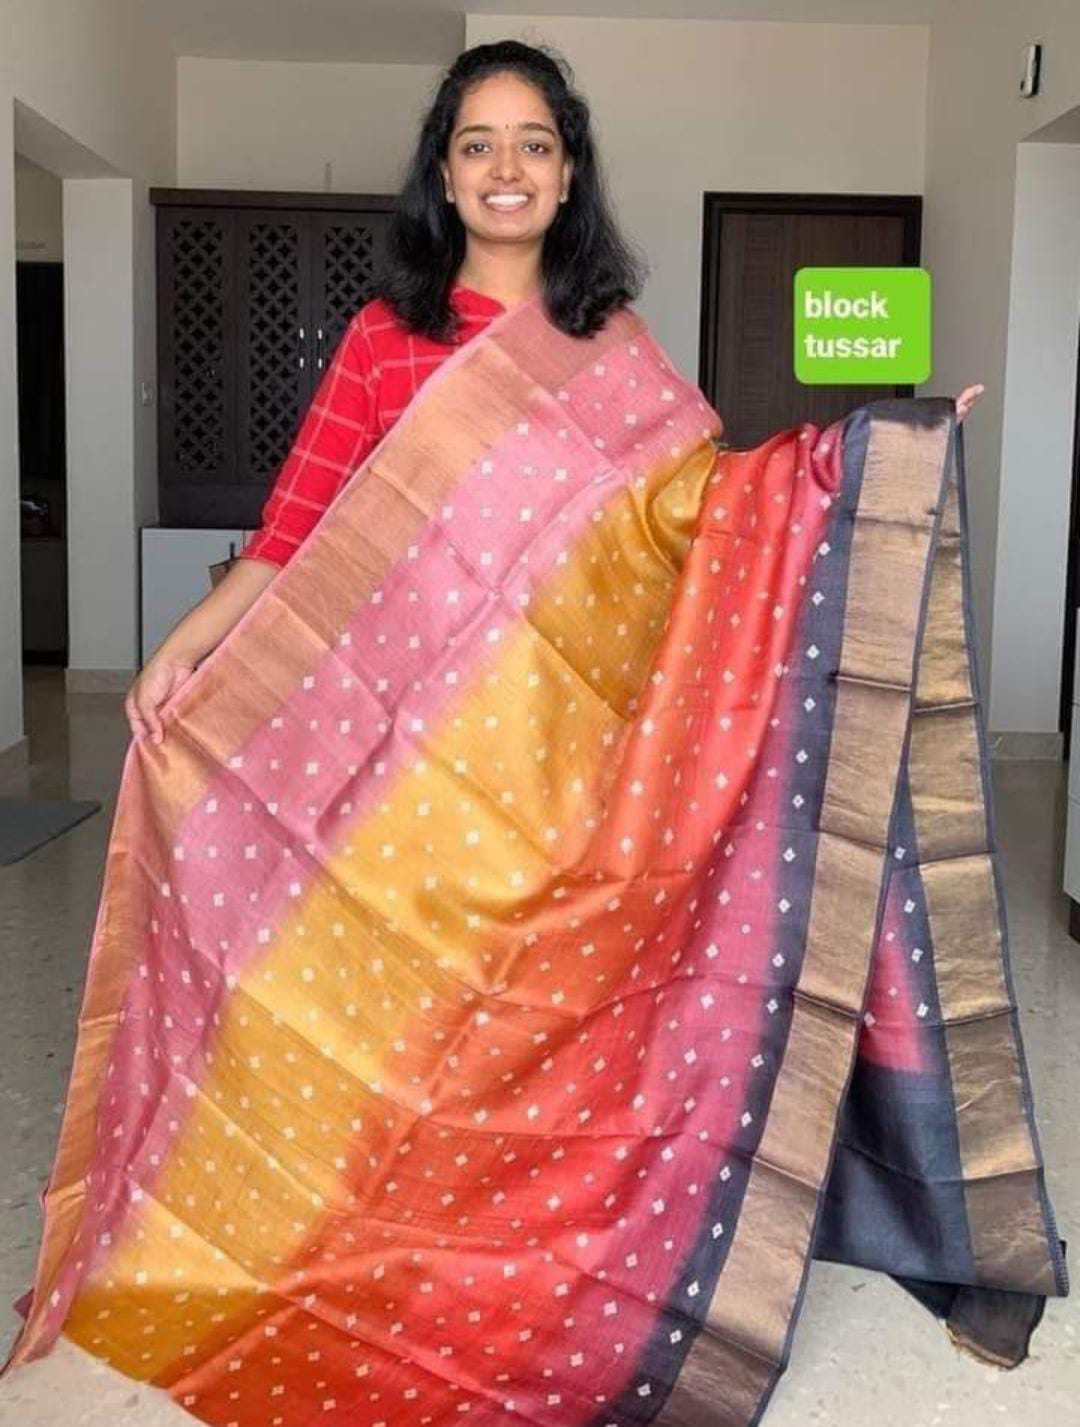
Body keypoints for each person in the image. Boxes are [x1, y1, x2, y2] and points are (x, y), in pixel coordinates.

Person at [125, 38, 983, 746]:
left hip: (572, 725)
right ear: (446, 177)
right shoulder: (384, 339)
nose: (507, 167)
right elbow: (292, 534)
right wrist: (181, 651)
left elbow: (699, 505)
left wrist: (874, 452)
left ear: (568, 175)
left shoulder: (613, 344)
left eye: (535, 144)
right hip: (410, 725)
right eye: (477, 145)